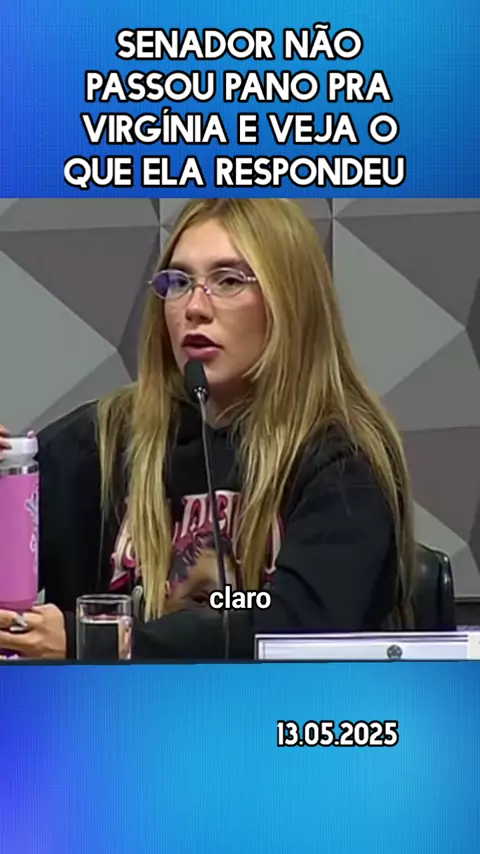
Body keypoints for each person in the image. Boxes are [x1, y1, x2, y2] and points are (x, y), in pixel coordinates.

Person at [0, 198, 416, 661]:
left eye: (229, 280)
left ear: (290, 302)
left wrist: (99, 641)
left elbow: (296, 627)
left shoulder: (342, 461)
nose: (194, 307)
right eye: (178, 283)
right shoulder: (102, 440)